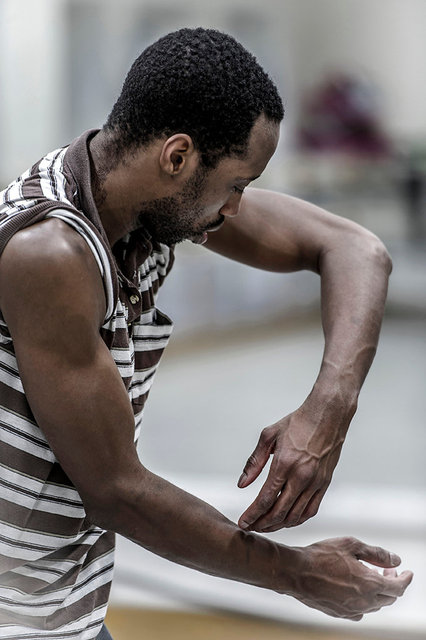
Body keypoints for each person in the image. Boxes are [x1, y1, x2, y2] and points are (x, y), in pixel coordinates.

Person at [0, 27, 412, 640]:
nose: (238, 209)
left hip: (66, 603)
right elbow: (116, 491)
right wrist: (299, 574)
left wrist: (328, 407)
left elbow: (355, 248)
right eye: (238, 184)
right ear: (178, 157)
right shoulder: (49, 251)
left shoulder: (146, 203)